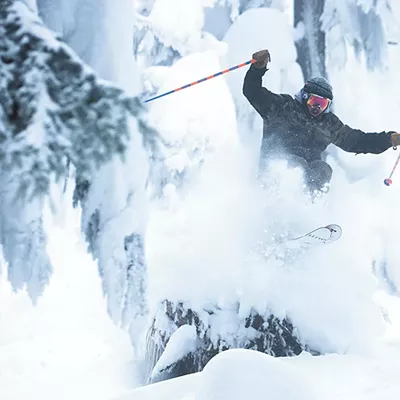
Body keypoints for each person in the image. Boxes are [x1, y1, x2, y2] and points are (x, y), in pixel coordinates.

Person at [243, 49, 400, 193]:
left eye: (322, 104)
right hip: (274, 173)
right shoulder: (283, 107)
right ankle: (282, 204)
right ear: (304, 97)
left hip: (307, 178)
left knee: (323, 169)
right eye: (314, 101)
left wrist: (389, 139)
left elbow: (358, 141)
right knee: (297, 164)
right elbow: (252, 91)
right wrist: (258, 69)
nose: (317, 108)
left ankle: (308, 209)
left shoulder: (328, 124)